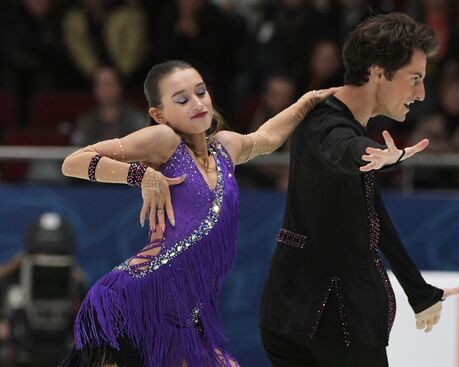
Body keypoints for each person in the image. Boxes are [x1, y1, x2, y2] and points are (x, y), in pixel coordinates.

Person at [59, 60, 338, 366]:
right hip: (137, 302)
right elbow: (74, 161)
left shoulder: (225, 147)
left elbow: (267, 138)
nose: (197, 103)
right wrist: (142, 175)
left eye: (201, 92)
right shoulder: (164, 140)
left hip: (185, 312)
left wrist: (306, 102)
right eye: (181, 99)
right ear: (158, 114)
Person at [259, 13, 459, 366]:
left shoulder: (334, 121)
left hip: (293, 312)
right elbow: (342, 148)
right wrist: (373, 156)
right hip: (334, 320)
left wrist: (418, 290)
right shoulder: (329, 124)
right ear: (378, 72)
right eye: (414, 79)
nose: (421, 93)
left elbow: (371, 217)